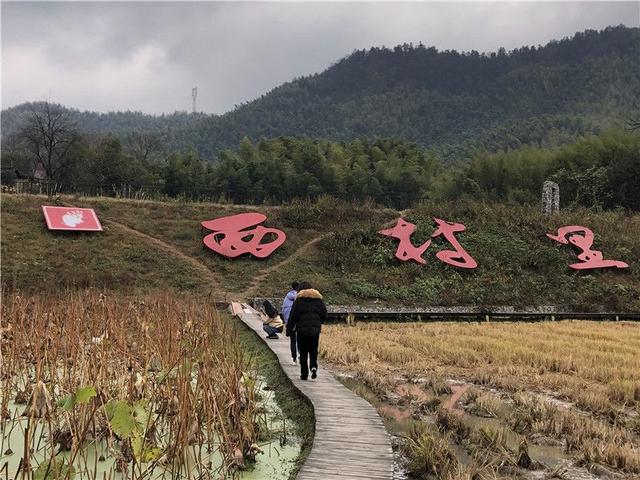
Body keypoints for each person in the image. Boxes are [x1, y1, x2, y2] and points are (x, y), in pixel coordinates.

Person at [286, 282, 327, 380]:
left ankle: (304, 374)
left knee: (303, 351)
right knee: (313, 350)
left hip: (302, 330)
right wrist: (319, 322)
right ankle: (313, 367)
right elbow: (324, 314)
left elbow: (293, 316)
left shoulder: (299, 301)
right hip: (315, 330)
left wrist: (289, 329)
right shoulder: (318, 300)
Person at [282, 282, 299, 365]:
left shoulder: (289, 295)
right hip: (293, 320)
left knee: (293, 339)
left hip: (289, 320)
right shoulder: (294, 295)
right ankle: (297, 356)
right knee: (296, 339)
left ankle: (294, 358)